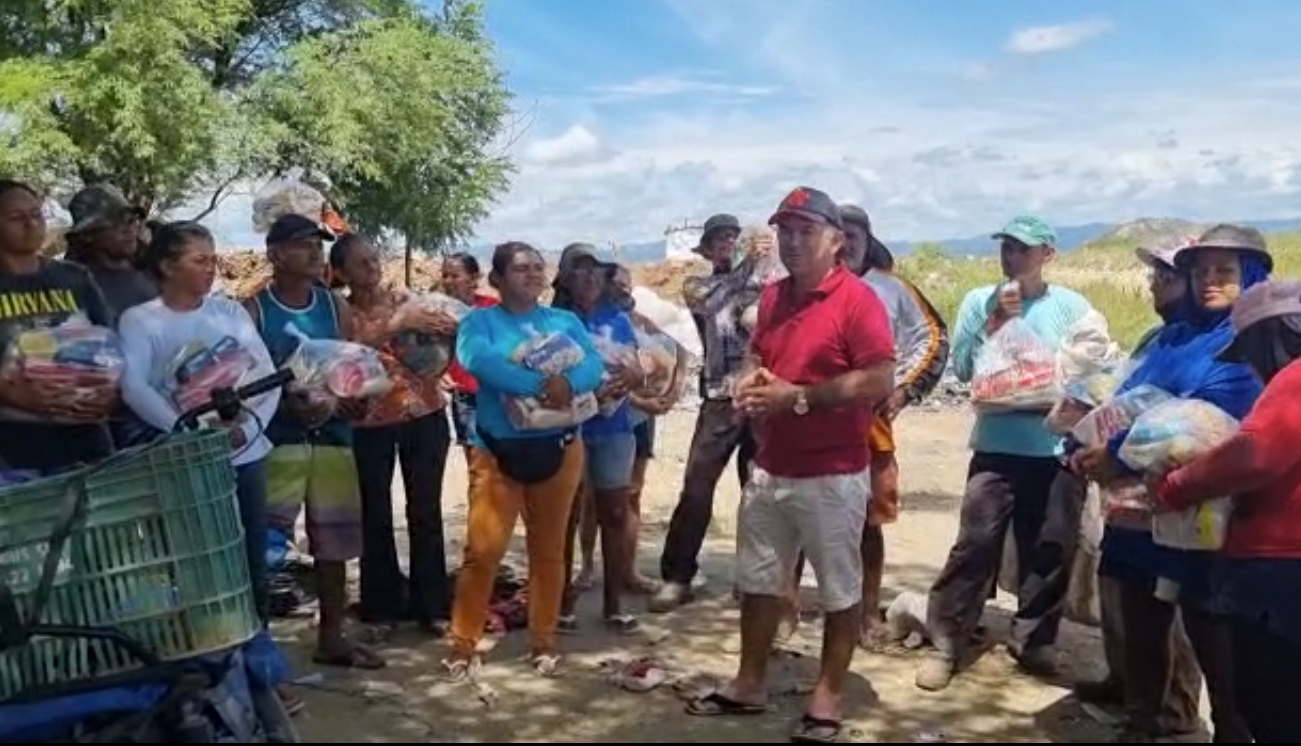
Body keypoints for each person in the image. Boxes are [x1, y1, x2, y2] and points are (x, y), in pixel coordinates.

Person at [685, 187, 895, 744]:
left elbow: (879, 379)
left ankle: (826, 697)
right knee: (757, 580)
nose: (793, 241)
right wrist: (749, 379)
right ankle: (749, 681)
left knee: (837, 588)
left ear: (834, 240)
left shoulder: (858, 301)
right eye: (786, 230)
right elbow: (760, 354)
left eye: (806, 231)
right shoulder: (775, 297)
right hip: (771, 465)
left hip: (832, 471)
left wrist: (798, 397)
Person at [1073, 224, 1270, 742]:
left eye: (1223, 272)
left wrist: (1115, 455)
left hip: (1204, 508)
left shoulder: (1246, 341)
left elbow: (1208, 415)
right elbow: (1130, 397)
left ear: (1251, 277)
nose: (1208, 281)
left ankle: (1226, 727)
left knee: (1210, 625)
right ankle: (1142, 719)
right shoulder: (1170, 336)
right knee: (1139, 612)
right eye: (1199, 271)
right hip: (1140, 507)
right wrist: (1094, 445)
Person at [916, 215, 1093, 692]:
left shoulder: (1072, 307)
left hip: (1054, 448)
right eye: (1007, 248)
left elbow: (1093, 367)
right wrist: (995, 321)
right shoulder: (979, 300)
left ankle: (1034, 641)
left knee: (1051, 546)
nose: (1012, 256)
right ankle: (947, 641)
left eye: (1023, 249)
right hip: (997, 445)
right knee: (975, 544)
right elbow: (964, 369)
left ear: (1047, 255)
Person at [443, 242, 604, 678]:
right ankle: (462, 643)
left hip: (561, 447)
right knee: (483, 551)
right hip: (498, 452)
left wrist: (567, 385)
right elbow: (477, 360)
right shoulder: (480, 321)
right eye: (520, 269)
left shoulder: (564, 321)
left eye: (537, 268)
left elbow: (592, 363)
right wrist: (539, 383)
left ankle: (543, 641)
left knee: (549, 551)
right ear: (497, 279)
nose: (531, 275)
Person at [1154, 278, 1301, 742]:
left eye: (1252, 353)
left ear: (1274, 336)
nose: (1254, 370)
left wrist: (1177, 485)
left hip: (1280, 567)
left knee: (1274, 704)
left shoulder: (1294, 380)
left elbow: (1255, 453)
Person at [1071, 242, 1202, 734]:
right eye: (1154, 280)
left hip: (1171, 492)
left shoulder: (1216, 341)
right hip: (1126, 492)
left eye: (1165, 280)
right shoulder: (1158, 339)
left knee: (1168, 601)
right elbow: (1121, 394)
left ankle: (1175, 706)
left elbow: (1192, 420)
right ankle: (1127, 684)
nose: (1154, 288)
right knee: (1122, 587)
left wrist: (1117, 451)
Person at [244, 214, 383, 670]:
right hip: (277, 440)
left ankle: (332, 635)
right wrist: (286, 406)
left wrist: (353, 402)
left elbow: (347, 368)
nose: (314, 253)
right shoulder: (253, 311)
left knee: (334, 541)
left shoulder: (333, 307)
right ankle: (255, 643)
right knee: (266, 542)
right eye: (302, 245)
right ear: (275, 254)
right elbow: (246, 380)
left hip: (332, 438)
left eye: (316, 245)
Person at [329, 233, 457, 633]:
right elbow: (343, 353)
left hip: (424, 413)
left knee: (426, 512)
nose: (372, 269)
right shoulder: (341, 312)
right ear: (341, 272)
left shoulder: (405, 300)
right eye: (361, 264)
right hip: (368, 423)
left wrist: (440, 329)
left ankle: (432, 606)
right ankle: (381, 608)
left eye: (374, 260)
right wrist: (397, 326)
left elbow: (444, 335)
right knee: (374, 516)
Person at [838, 203, 950, 647]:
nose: (846, 242)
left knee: (868, 523)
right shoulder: (808, 289)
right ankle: (787, 609)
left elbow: (933, 335)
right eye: (839, 233)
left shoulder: (892, 289)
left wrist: (904, 390)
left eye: (855, 234)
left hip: (870, 426)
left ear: (867, 239)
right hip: (814, 427)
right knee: (805, 520)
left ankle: (867, 613)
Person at [652, 212, 757, 613]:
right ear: (709, 248)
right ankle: (677, 576)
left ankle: (754, 579)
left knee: (760, 492)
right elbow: (717, 301)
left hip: (761, 398)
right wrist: (749, 263)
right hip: (718, 398)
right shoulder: (698, 286)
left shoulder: (764, 285)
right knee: (697, 488)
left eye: (734, 238)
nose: (728, 244)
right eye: (721, 240)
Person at [572, 264, 689, 595]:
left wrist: (672, 391)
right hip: (614, 416)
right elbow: (612, 378)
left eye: (628, 285)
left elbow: (679, 351)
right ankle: (588, 568)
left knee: (630, 495)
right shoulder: (587, 323)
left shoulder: (640, 321)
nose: (625, 291)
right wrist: (643, 400)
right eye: (618, 285)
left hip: (634, 421)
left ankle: (628, 570)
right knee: (592, 499)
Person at [551, 243, 645, 633]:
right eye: (580, 270)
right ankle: (563, 601)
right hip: (569, 428)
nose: (590, 277)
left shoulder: (618, 319)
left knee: (615, 513)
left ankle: (613, 601)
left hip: (615, 427)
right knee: (568, 515)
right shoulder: (553, 321)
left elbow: (637, 365)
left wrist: (633, 376)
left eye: (596, 271)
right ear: (566, 280)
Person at [0, 179, 116, 472]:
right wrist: (12, 393)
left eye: (36, 214)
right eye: (16, 217)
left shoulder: (75, 278)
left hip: (87, 441)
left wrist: (108, 394)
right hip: (14, 454)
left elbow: (111, 345)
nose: (30, 224)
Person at [62, 184, 158, 324]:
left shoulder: (157, 268)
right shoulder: (78, 287)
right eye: (115, 223)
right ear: (87, 235)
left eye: (131, 220)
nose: (128, 229)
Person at [442, 251, 499, 464]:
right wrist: (439, 375)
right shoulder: (435, 313)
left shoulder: (492, 308)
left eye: (455, 276)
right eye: (445, 275)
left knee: (500, 458)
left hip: (495, 394)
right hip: (464, 396)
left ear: (474, 278)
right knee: (476, 462)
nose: (448, 281)